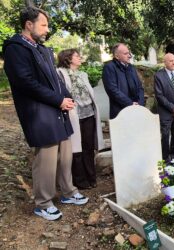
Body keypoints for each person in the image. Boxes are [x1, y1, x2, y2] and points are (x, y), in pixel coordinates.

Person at [2, 7, 88, 221]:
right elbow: (25, 82)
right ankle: (43, 202)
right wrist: (58, 100)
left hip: (57, 110)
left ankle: (68, 192)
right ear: (28, 25)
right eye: (43, 25)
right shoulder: (16, 49)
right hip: (39, 112)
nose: (47, 29)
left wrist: (67, 97)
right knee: (46, 160)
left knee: (65, 155)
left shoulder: (43, 49)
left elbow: (56, 79)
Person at [57, 49, 105, 189]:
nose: (80, 58)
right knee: (75, 148)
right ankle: (80, 180)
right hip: (73, 115)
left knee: (88, 147)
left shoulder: (83, 74)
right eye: (77, 56)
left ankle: (91, 177)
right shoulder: (60, 73)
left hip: (89, 114)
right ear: (68, 58)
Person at [154, 53, 174, 161]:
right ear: (165, 62)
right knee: (165, 135)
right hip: (165, 112)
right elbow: (159, 96)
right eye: (171, 61)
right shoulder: (158, 76)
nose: (173, 63)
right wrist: (173, 108)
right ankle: (165, 158)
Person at [102, 43, 145, 119]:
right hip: (120, 112)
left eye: (129, 53)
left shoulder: (131, 67)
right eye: (125, 54)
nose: (129, 56)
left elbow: (140, 87)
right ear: (117, 56)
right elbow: (112, 90)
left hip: (136, 109)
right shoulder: (109, 67)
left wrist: (140, 104)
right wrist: (130, 104)